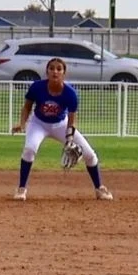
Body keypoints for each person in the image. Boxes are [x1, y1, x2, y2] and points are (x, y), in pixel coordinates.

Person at [12, 56, 114, 201]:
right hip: (39, 123)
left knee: (90, 155)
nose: (55, 71)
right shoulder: (37, 87)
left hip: (61, 124)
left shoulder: (70, 93)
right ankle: (21, 189)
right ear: (47, 71)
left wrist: (69, 139)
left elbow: (72, 119)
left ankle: (100, 189)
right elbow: (27, 106)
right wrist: (22, 124)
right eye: (51, 68)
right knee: (30, 149)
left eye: (59, 69)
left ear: (64, 73)